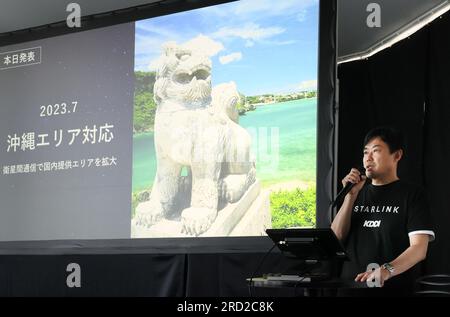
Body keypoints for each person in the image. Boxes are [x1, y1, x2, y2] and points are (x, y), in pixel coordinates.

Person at [331, 127, 435, 296]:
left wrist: (386, 270)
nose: (368, 158)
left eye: (376, 151)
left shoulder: (413, 195)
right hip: (348, 289)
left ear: (397, 155)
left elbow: (419, 249)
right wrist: (350, 197)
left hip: (391, 289)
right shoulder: (355, 193)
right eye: (365, 153)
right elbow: (336, 238)